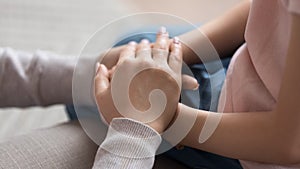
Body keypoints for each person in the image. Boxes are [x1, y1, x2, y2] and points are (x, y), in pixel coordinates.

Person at [95, 0, 300, 168]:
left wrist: (163, 119)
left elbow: (289, 143)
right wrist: (171, 52)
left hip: (255, 140)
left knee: (117, 92)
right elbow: (268, 12)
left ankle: (74, 79)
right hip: (253, 67)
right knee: (135, 47)